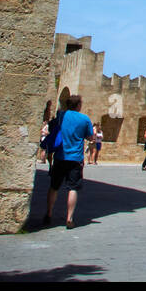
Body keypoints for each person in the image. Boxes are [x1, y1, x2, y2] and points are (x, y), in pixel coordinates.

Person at [45, 94, 96, 228]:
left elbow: (51, 128)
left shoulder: (61, 116)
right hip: (75, 158)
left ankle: (49, 213)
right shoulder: (84, 119)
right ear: (79, 105)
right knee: (73, 188)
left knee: (54, 187)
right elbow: (90, 137)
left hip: (60, 156)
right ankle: (69, 218)